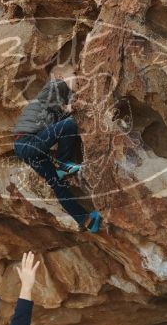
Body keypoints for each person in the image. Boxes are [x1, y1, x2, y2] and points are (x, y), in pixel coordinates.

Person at [12, 64, 101, 233]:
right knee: (70, 125)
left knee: (57, 184)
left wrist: (67, 108)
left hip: (25, 146)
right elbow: (64, 106)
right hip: (27, 141)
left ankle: (88, 221)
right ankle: (63, 164)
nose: (78, 78)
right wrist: (75, 102)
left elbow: (57, 112)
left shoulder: (54, 98)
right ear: (60, 76)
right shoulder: (55, 86)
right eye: (74, 74)